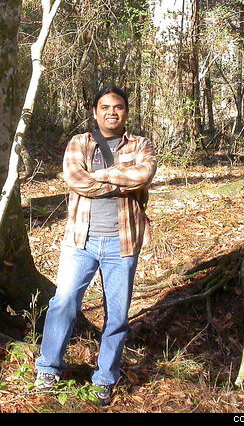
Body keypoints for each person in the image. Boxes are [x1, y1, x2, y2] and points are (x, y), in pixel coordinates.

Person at [34, 85, 157, 406]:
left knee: (116, 314)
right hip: (81, 241)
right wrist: (118, 181)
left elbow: (143, 175)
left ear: (125, 112)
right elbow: (75, 179)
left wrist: (100, 176)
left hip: (123, 242)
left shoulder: (141, 144)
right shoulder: (80, 142)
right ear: (95, 111)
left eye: (118, 107)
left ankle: (104, 378)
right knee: (63, 303)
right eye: (105, 107)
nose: (111, 112)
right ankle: (48, 367)